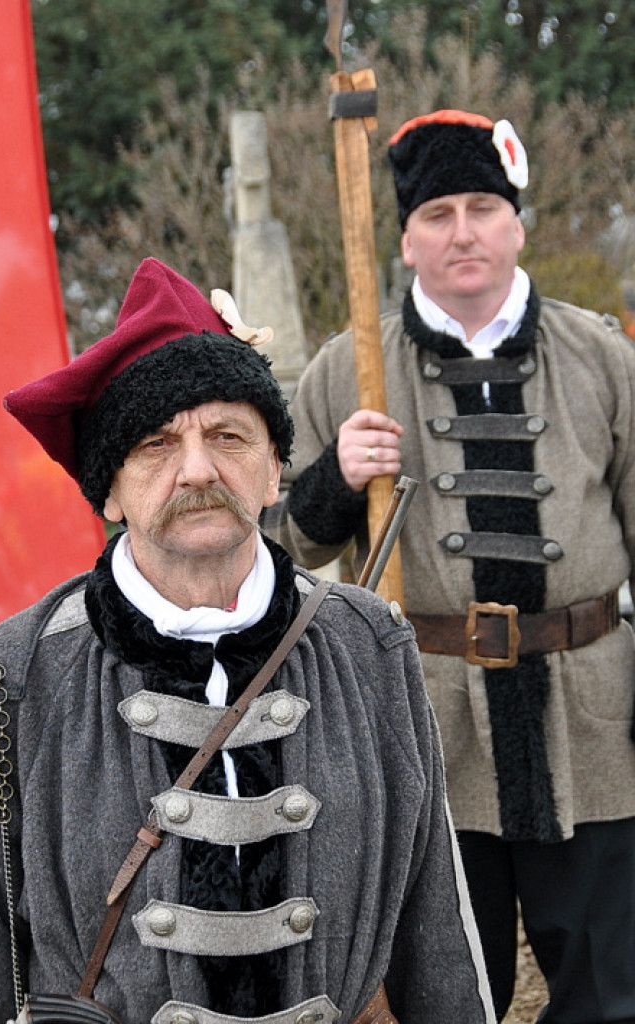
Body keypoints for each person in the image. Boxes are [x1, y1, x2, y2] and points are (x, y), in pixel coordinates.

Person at [0, 257, 494, 1024]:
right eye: (155, 443)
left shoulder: (371, 646)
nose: (197, 470)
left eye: (228, 435)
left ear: (274, 469)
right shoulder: (14, 678)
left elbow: (437, 933)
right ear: (108, 490)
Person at [262, 109, 635, 1024]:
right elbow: (277, 551)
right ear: (405, 240)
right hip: (426, 729)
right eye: (437, 215)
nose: (462, 232)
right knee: (443, 999)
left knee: (613, 993)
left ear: (517, 225)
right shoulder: (346, 371)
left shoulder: (602, 356)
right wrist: (335, 480)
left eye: (482, 208)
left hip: (594, 725)